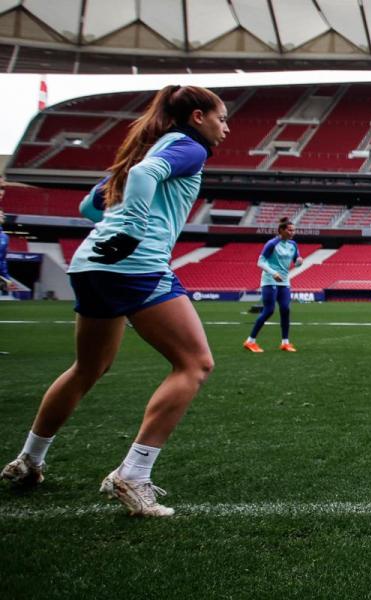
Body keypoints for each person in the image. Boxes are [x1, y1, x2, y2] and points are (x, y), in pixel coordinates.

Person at [0, 84, 228, 517]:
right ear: (198, 117)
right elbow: (145, 179)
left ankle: (29, 460)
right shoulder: (188, 147)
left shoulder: (143, 148)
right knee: (195, 364)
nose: (226, 127)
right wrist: (135, 229)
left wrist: (121, 226)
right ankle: (133, 475)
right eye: (221, 118)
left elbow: (91, 205)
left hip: (90, 263)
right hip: (134, 265)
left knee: (88, 367)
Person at [243, 218, 303, 352]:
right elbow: (260, 262)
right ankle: (250, 341)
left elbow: (296, 262)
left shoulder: (293, 244)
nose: (292, 232)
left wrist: (299, 261)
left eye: (294, 230)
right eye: (289, 230)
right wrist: (273, 272)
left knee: (285, 309)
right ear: (281, 230)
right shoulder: (272, 243)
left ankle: (285, 343)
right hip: (270, 280)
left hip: (284, 281)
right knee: (269, 310)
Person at [0, 209, 14, 293]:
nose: (3, 216)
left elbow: (3, 259)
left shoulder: (5, 237)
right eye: (0, 214)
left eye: (3, 214)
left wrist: (6, 276)